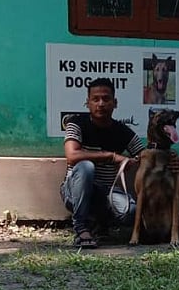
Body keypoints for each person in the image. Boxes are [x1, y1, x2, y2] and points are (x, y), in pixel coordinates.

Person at [60, 78, 145, 248]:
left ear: (115, 103)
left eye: (106, 99)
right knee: (86, 166)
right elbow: (72, 156)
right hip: (73, 192)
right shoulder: (76, 123)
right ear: (87, 103)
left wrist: (167, 159)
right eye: (95, 99)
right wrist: (111, 156)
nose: (101, 104)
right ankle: (81, 228)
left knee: (131, 212)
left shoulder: (122, 131)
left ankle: (100, 223)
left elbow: (145, 155)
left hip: (107, 192)